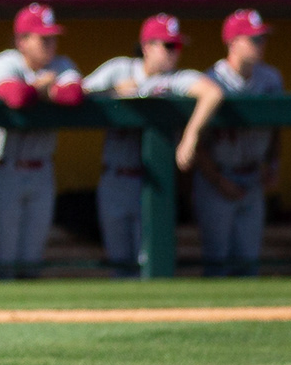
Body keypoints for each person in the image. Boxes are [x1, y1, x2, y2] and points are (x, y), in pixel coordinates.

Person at [82, 14, 225, 276]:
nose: (175, 52)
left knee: (146, 260)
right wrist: (112, 94)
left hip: (149, 180)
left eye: (177, 45)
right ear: (147, 46)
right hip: (114, 176)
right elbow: (77, 93)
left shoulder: (175, 79)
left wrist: (190, 136)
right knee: (118, 262)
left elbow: (213, 93)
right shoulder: (120, 69)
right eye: (168, 45)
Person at [0, 4, 80, 279]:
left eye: (53, 37)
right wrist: (42, 88)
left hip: (41, 169)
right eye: (43, 38)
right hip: (4, 168)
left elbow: (73, 96)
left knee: (33, 260)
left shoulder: (62, 64)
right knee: (5, 260)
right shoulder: (3, 61)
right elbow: (16, 97)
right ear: (22, 41)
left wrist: (44, 89)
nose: (51, 44)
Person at [196, 10, 284, 277]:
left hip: (253, 175)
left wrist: (274, 163)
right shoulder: (212, 79)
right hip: (217, 177)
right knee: (216, 262)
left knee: (249, 263)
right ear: (233, 43)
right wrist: (218, 180)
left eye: (263, 39)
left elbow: (277, 126)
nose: (262, 44)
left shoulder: (271, 78)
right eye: (254, 39)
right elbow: (197, 143)